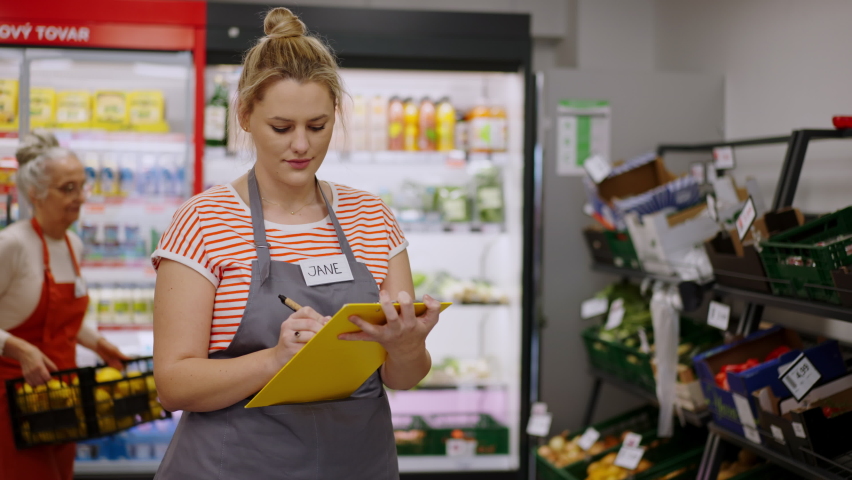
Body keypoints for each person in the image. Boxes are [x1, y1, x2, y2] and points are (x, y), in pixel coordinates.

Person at [151, 7, 442, 480]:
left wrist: (408, 347)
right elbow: (173, 385)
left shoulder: (372, 217)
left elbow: (403, 378)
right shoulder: (203, 222)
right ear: (245, 116)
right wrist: (275, 360)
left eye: (318, 125)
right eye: (282, 127)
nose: (302, 145)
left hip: (358, 466)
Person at [0, 131, 129, 480]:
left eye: (82, 187)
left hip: (63, 397)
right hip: (11, 404)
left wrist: (99, 344)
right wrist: (18, 348)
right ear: (35, 195)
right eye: (67, 189)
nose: (79, 198)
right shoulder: (11, 245)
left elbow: (63, 322)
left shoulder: (73, 244)